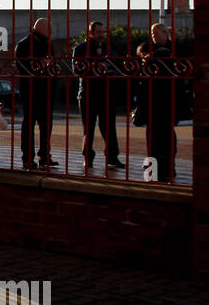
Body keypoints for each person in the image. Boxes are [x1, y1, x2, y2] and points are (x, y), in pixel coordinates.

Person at [131, 23, 185, 183]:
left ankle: (169, 167)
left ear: (165, 33)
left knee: (167, 135)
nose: (153, 36)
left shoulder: (175, 49)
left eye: (156, 33)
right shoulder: (148, 47)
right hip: (151, 98)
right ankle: (153, 169)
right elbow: (141, 55)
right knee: (152, 136)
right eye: (152, 33)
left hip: (168, 97)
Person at [73, 21, 123, 169]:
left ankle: (113, 158)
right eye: (98, 32)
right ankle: (88, 158)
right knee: (88, 128)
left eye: (103, 32)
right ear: (90, 33)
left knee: (109, 127)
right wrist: (94, 67)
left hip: (106, 93)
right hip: (88, 92)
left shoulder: (108, 47)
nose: (101, 35)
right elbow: (77, 69)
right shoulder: (80, 48)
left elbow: (115, 67)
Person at [15, 17, 57, 170]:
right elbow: (23, 68)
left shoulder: (47, 44)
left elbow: (53, 66)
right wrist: (42, 64)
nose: (51, 31)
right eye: (49, 28)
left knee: (45, 125)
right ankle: (28, 158)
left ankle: (44, 156)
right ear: (42, 28)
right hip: (32, 90)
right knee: (30, 124)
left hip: (44, 90)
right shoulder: (24, 45)